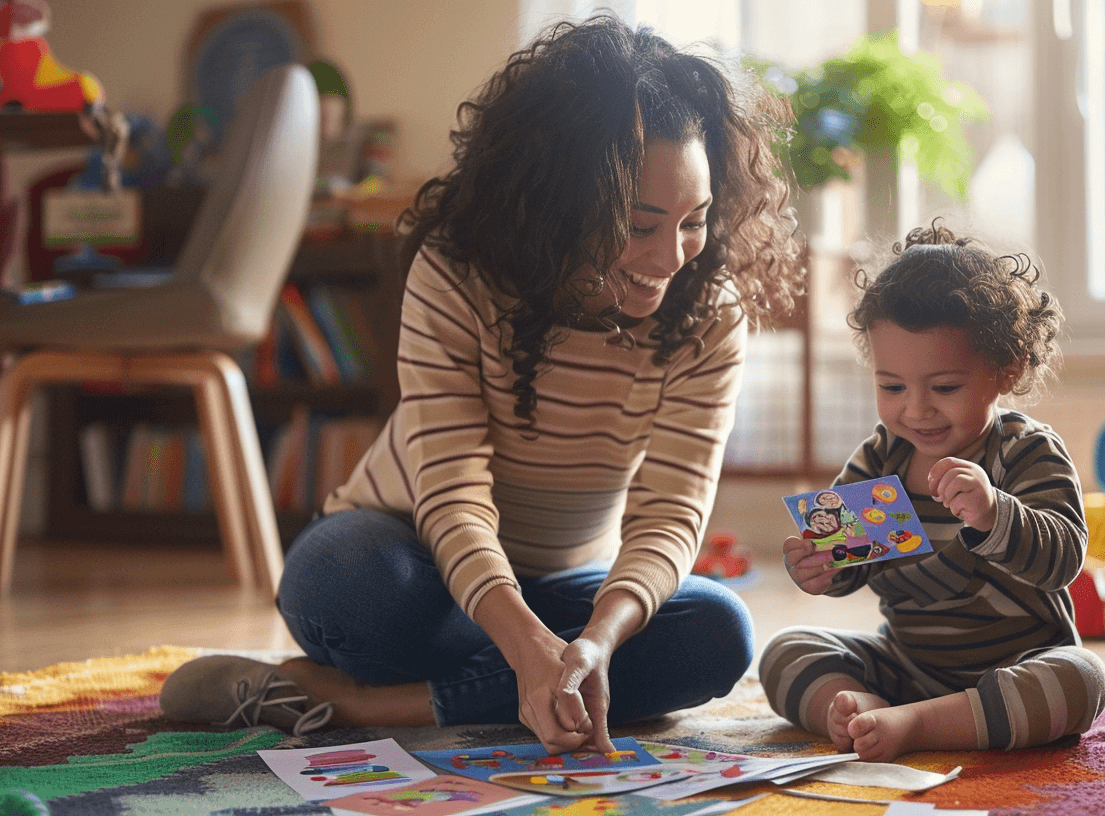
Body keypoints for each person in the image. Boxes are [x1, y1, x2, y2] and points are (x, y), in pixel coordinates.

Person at [160, 14, 805, 753]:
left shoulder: (708, 310)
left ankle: (351, 701)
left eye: (694, 221)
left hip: (565, 590)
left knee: (715, 632)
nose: (672, 257)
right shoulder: (457, 272)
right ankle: (501, 681)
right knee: (346, 585)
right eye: (639, 225)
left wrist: (594, 641)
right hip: (416, 557)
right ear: (563, 202)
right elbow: (452, 491)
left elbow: (670, 514)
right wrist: (527, 647)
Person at [759, 221, 1105, 761]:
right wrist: (821, 569)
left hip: (1014, 667)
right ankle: (867, 706)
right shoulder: (880, 460)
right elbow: (850, 563)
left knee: (1080, 679)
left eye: (944, 388)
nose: (916, 409)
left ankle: (918, 727)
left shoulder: (1024, 451)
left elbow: (1062, 560)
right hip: (907, 667)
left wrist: (996, 514)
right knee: (786, 651)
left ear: (1005, 371)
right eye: (891, 386)